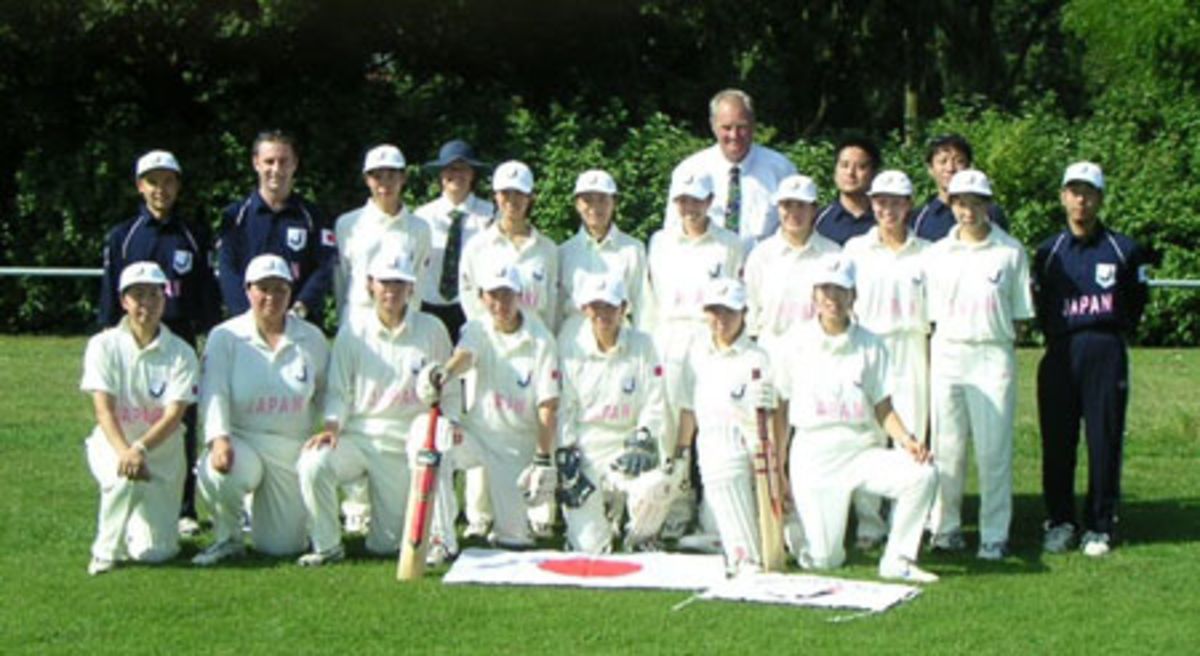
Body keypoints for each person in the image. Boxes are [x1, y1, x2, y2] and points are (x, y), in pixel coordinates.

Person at [774, 256, 939, 583]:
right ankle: (796, 530)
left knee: (922, 475)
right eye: (825, 290)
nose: (832, 299)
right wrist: (779, 467)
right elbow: (780, 408)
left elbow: (883, 407)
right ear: (814, 296)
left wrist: (907, 441)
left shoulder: (871, 345)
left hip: (861, 449)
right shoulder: (794, 343)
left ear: (853, 296)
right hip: (813, 454)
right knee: (825, 561)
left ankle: (898, 559)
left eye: (840, 291)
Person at [295, 252, 453, 566]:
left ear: (411, 286)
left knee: (387, 545)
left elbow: (450, 389)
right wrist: (331, 428)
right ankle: (327, 547)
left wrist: (452, 422)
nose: (391, 290)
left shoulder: (432, 329)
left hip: (408, 441)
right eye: (384, 282)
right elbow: (338, 392)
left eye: (399, 282)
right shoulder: (352, 331)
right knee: (313, 462)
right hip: (360, 437)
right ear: (370, 285)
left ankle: (438, 537)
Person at [98, 150, 219, 536]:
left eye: (168, 181)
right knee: (133, 414)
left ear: (177, 185)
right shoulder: (123, 236)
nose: (160, 189)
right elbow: (109, 294)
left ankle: (184, 506)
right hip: (131, 339)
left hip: (178, 339)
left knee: (180, 422)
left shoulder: (194, 234)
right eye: (153, 181)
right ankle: (125, 483)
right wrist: (107, 335)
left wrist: (210, 335)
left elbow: (204, 290)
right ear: (140, 186)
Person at [1034, 162, 1149, 557]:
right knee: (1058, 440)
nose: (1080, 200)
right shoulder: (1049, 252)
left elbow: (1135, 304)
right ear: (1063, 196)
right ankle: (1061, 520)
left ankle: (1100, 524)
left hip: (1105, 349)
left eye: (1088, 192)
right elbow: (1041, 304)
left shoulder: (1124, 248)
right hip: (1061, 351)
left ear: (1100, 198)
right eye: (1073, 191)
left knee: (1104, 438)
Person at [924, 170, 1034, 561]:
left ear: (988, 204)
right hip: (949, 351)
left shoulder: (1010, 252)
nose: (967, 211)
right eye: (960, 203)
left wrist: (996, 343)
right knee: (947, 447)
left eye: (975, 202)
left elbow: (1020, 316)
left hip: (992, 353)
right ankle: (945, 528)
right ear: (950, 205)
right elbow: (930, 315)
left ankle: (993, 534)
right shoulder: (936, 254)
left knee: (993, 451)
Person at [193, 255, 330, 565]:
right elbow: (214, 392)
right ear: (247, 291)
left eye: (280, 289)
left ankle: (270, 518)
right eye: (263, 289)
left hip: (290, 446)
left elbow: (326, 393)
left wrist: (331, 427)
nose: (271, 297)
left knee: (282, 548)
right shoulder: (225, 336)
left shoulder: (312, 338)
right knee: (219, 473)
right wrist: (219, 439)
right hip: (242, 439)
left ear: (291, 292)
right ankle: (228, 538)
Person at [419, 265, 560, 552]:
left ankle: (506, 529)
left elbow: (548, 403)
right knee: (437, 443)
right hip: (478, 435)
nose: (500, 304)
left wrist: (543, 457)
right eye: (493, 296)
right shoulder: (477, 328)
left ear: (519, 295)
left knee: (514, 539)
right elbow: (466, 355)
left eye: (507, 295)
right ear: (482, 297)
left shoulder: (541, 338)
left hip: (516, 445)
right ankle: (441, 539)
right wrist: (445, 373)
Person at [82, 262, 199, 575]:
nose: (145, 303)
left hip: (164, 451)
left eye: (153, 294)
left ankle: (137, 523)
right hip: (113, 443)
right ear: (124, 301)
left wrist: (142, 448)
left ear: (165, 298)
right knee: (124, 474)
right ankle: (105, 552)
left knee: (157, 553)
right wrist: (127, 451)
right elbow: (103, 409)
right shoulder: (102, 346)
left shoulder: (182, 352)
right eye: (137, 295)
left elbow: (175, 414)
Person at [645, 169, 744, 540]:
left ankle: (713, 509)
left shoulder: (730, 244)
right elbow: (651, 298)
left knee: (713, 421)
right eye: (683, 201)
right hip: (669, 338)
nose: (689, 208)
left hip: (710, 337)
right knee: (670, 427)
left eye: (696, 200)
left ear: (709, 202)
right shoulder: (660, 242)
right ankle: (674, 507)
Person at [843, 170, 932, 551]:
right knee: (867, 435)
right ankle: (869, 522)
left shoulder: (929, 253)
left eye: (896, 202)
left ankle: (906, 523)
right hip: (866, 345)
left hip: (911, 346)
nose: (887, 209)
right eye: (880, 202)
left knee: (910, 433)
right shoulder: (854, 250)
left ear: (909, 205)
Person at [557, 273, 668, 553]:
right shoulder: (571, 347)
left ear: (624, 308)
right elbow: (564, 406)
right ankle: (598, 523)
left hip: (626, 443)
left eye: (610, 307)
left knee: (655, 486)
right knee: (589, 548)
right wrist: (567, 451)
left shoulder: (644, 345)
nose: (602, 314)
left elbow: (655, 402)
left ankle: (639, 537)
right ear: (585, 309)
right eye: (596, 307)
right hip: (588, 445)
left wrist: (643, 439)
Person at [673, 277, 777, 574]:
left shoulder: (758, 357)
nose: (721, 320)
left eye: (729, 312)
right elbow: (688, 408)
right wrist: (681, 454)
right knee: (713, 515)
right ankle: (734, 546)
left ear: (743, 312)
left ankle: (746, 557)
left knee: (728, 470)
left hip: (744, 446)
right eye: (714, 311)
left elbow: (768, 417)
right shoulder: (695, 351)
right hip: (708, 441)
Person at [216, 130, 336, 321]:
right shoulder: (236, 216)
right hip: (246, 326)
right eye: (269, 161)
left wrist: (301, 307)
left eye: (283, 161)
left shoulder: (313, 216)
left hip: (300, 323)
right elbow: (227, 269)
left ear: (294, 164)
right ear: (256, 162)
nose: (277, 169)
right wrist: (246, 315)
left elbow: (326, 266)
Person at [664, 89, 797, 252]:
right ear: (713, 126)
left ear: (753, 125)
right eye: (726, 127)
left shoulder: (781, 169)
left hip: (765, 269)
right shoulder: (689, 170)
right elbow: (672, 231)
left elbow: (798, 227)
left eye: (741, 127)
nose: (734, 135)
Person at [742, 173, 840, 359]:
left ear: (814, 209)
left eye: (801, 206)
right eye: (787, 205)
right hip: (771, 353)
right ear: (778, 208)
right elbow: (750, 310)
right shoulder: (761, 255)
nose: (794, 213)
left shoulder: (833, 253)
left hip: (820, 354)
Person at [333, 144, 431, 326]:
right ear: (367, 179)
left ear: (403, 177)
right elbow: (341, 280)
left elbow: (417, 284)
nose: (385, 184)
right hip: (358, 320)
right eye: (377, 176)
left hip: (402, 321)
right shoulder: (347, 224)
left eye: (392, 176)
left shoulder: (420, 228)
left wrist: (411, 323)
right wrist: (343, 323)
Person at [459, 160, 558, 332]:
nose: (512, 200)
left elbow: (552, 308)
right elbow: (469, 301)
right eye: (505, 193)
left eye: (519, 193)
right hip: (490, 345)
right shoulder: (477, 247)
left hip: (534, 344)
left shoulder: (548, 250)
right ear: (495, 196)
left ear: (530, 197)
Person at [414, 139, 495, 344]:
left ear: (472, 174)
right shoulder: (422, 217)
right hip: (429, 307)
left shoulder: (491, 215)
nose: (456, 175)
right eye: (450, 169)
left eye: (463, 169)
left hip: (472, 309)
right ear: (441, 174)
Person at [557, 169, 650, 336]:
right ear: (577, 204)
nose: (595, 207)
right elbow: (556, 309)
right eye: (588, 200)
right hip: (574, 340)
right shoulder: (564, 252)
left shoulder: (633, 249)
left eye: (602, 200)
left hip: (621, 338)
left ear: (614, 202)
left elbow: (643, 305)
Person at [911, 134, 1008, 241]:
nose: (950, 168)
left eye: (959, 161)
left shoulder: (990, 212)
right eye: (943, 161)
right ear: (930, 169)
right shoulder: (918, 218)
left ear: (969, 166)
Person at [814, 136, 880, 246]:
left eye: (861, 167)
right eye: (844, 165)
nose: (850, 173)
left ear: (874, 174)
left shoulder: (886, 218)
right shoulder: (818, 220)